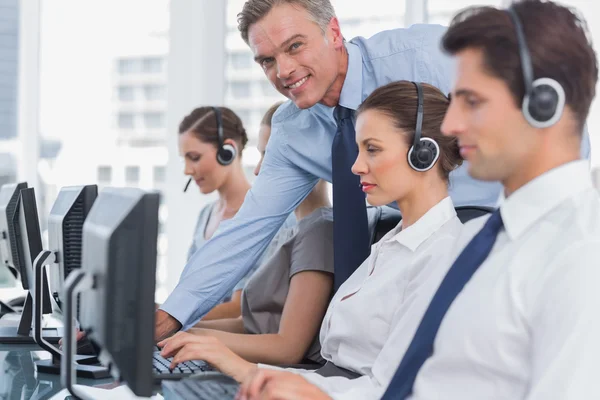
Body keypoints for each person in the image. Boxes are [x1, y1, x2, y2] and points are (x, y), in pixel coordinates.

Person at [155, 0, 592, 339]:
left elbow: (547, 112)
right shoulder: (292, 131)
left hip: (496, 235)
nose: (283, 71)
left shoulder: (426, 57)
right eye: (267, 61)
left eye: (294, 46)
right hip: (402, 259)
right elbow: (245, 230)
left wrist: (557, 230)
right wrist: (170, 316)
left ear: (333, 32)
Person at [238, 1, 600, 399]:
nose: (450, 124)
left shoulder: (579, 253)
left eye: (472, 101)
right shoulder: (481, 238)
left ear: (542, 103)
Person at [159, 80, 465, 388]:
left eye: (372, 149)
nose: (355, 166)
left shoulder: (442, 256)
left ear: (424, 152)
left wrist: (247, 372)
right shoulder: (389, 244)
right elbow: (329, 374)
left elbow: (386, 390)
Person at [158, 109, 335, 379]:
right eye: (264, 154)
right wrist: (174, 328)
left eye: (273, 155)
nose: (261, 169)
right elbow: (250, 323)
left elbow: (288, 347)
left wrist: (189, 336)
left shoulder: (319, 231)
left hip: (274, 374)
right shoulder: (293, 232)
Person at [179, 105, 295, 321]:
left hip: (232, 343)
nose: (187, 169)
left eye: (194, 157)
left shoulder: (265, 216)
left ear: (227, 151)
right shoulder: (206, 215)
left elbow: (241, 307)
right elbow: (189, 293)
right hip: (199, 337)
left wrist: (172, 317)